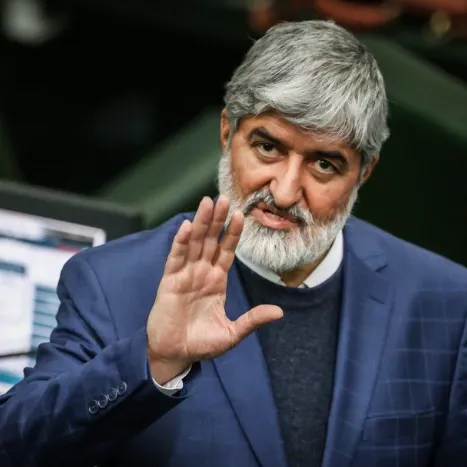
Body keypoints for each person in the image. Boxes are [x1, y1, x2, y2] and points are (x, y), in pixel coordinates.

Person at [0, 20, 466, 467]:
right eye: (268, 147)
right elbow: (15, 448)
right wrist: (152, 361)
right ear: (227, 132)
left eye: (324, 164)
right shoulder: (111, 281)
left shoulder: (445, 302)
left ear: (364, 173)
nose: (285, 192)